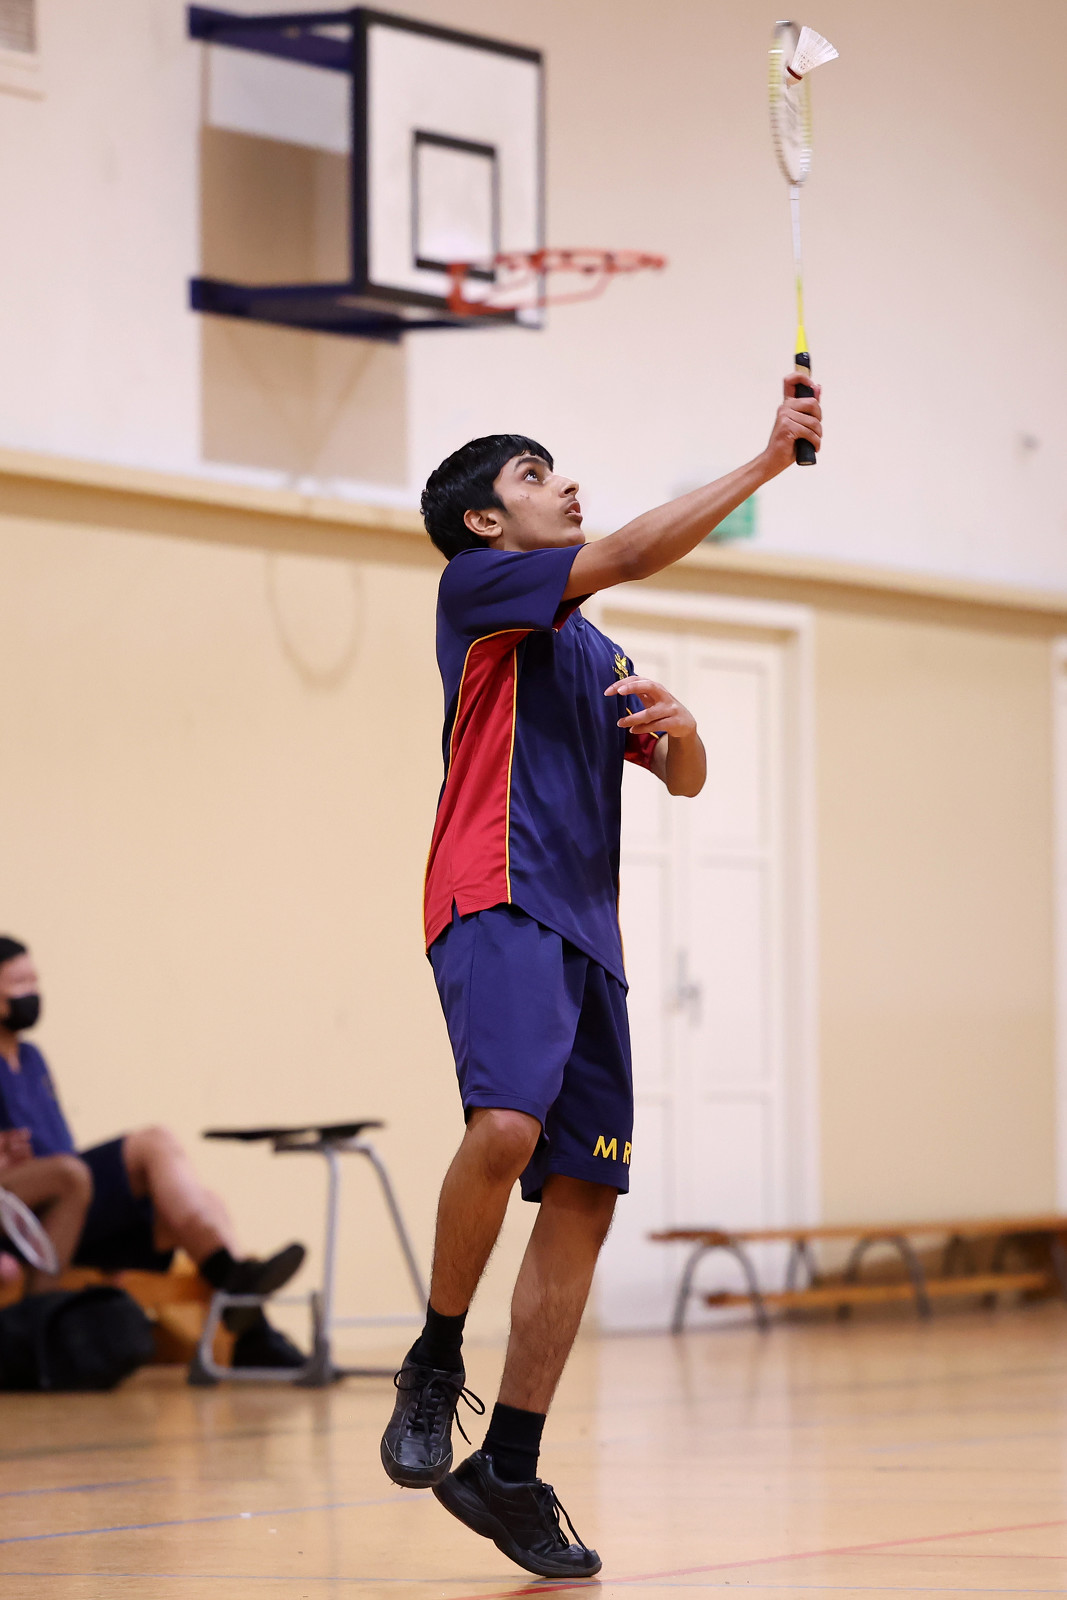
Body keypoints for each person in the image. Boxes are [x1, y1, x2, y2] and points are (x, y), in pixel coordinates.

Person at [379, 377, 822, 1575]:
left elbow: (683, 778)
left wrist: (683, 729)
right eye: (533, 474)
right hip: (494, 891)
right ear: (484, 520)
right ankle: (433, 1359)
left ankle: (509, 1467)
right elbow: (625, 551)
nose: (562, 483)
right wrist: (764, 462)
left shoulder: (594, 645)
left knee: (583, 1191)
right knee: (505, 1125)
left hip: (589, 935)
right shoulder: (477, 590)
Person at [0, 935, 306, 1367]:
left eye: (35, 980)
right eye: (19, 983)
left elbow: (62, 1149)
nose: (32, 992)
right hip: (19, 1212)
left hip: (67, 1203)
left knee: (205, 1202)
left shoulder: (32, 1059)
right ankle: (239, 1293)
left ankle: (251, 1329)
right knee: (150, 1144)